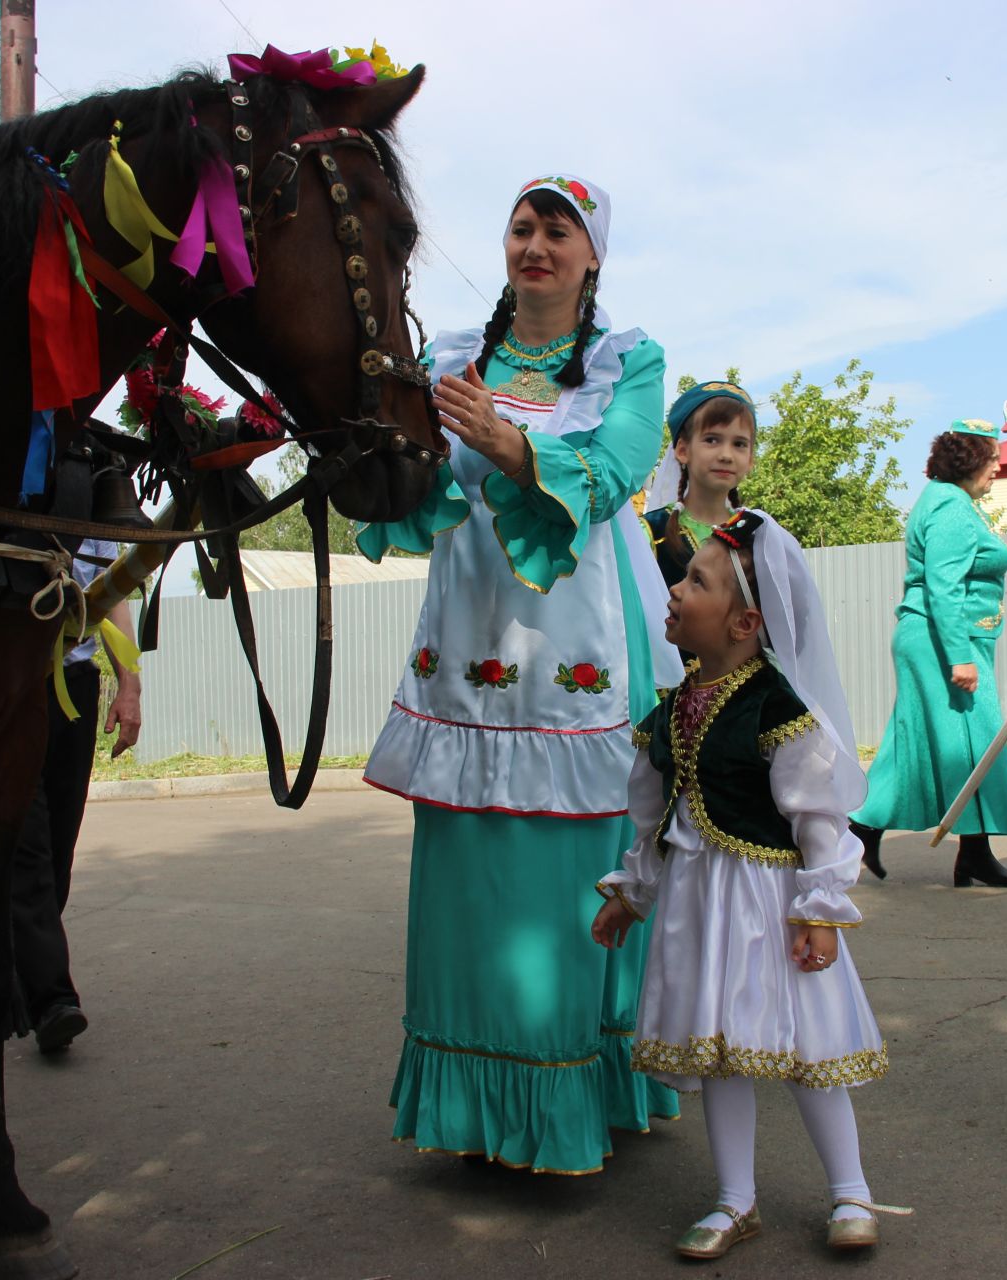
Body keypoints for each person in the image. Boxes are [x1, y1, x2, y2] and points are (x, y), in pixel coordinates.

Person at [357, 173, 683, 1174]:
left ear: (593, 254)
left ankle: (581, 1089)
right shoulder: (448, 355)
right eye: (522, 225)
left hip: (583, 635)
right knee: (466, 871)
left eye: (559, 229)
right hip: (466, 638)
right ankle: (472, 1107)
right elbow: (400, 475)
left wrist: (506, 440)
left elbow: (621, 469)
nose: (535, 241)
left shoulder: (630, 358)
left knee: (572, 874)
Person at [592, 509, 905, 1257]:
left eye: (695, 580)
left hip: (773, 904)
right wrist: (631, 894)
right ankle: (736, 1200)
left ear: (745, 622)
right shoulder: (667, 713)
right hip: (698, 905)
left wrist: (821, 909)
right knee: (720, 1048)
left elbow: (820, 818)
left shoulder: (777, 710)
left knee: (806, 1048)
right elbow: (652, 814)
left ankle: (851, 1191)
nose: (675, 590)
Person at [849, 421, 1007, 887]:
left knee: (923, 741)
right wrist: (959, 657)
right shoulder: (951, 506)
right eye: (993, 461)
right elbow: (944, 587)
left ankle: (870, 830)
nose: (998, 470)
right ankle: (967, 851)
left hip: (935, 638)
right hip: (942, 640)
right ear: (971, 461)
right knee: (974, 742)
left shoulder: (945, 501)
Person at [10, 537, 141, 1053]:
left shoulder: (91, 495)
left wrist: (129, 688)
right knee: (29, 849)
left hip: (74, 687)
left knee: (58, 849)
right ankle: (51, 1000)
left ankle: (23, 970)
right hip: (9, 686)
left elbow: (116, 590)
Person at [643, 381, 757, 587]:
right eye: (712, 440)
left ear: (750, 458)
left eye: (739, 444)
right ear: (683, 450)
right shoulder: (650, 533)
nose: (726, 455)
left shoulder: (759, 535)